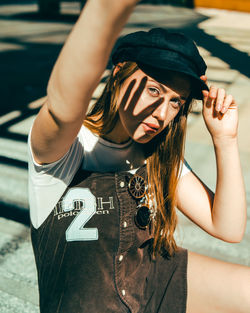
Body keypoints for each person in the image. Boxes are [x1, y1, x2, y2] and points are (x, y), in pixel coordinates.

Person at [28, 1, 250, 312]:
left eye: (176, 101)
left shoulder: (158, 154)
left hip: (150, 281)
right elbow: (62, 103)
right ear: (118, 74)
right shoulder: (66, 147)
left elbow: (227, 228)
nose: (161, 114)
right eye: (155, 90)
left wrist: (225, 140)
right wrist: (106, 9)